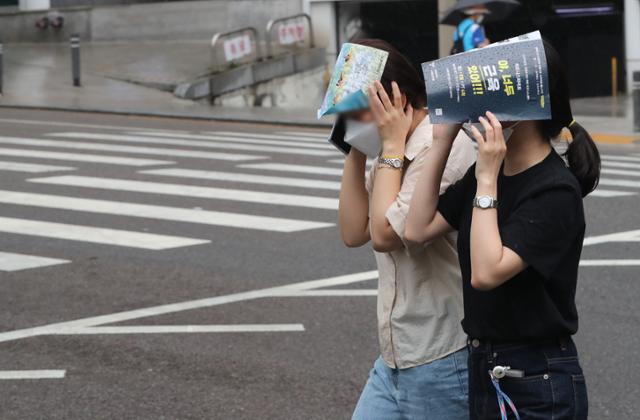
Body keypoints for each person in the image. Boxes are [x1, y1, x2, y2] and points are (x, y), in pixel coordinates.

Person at [404, 40, 599, 419]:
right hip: (487, 363)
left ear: (525, 98)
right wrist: (443, 141)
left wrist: (488, 179)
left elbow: (487, 272)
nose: (476, 98)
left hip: (537, 377)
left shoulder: (555, 189)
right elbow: (416, 229)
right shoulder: (489, 174)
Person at [338, 38, 476, 420]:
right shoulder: (391, 145)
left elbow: (383, 236)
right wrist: (356, 146)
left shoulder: (439, 146)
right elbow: (353, 232)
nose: (348, 114)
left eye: (354, 105)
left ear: (393, 97)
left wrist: (392, 146)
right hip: (396, 355)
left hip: (442, 356)